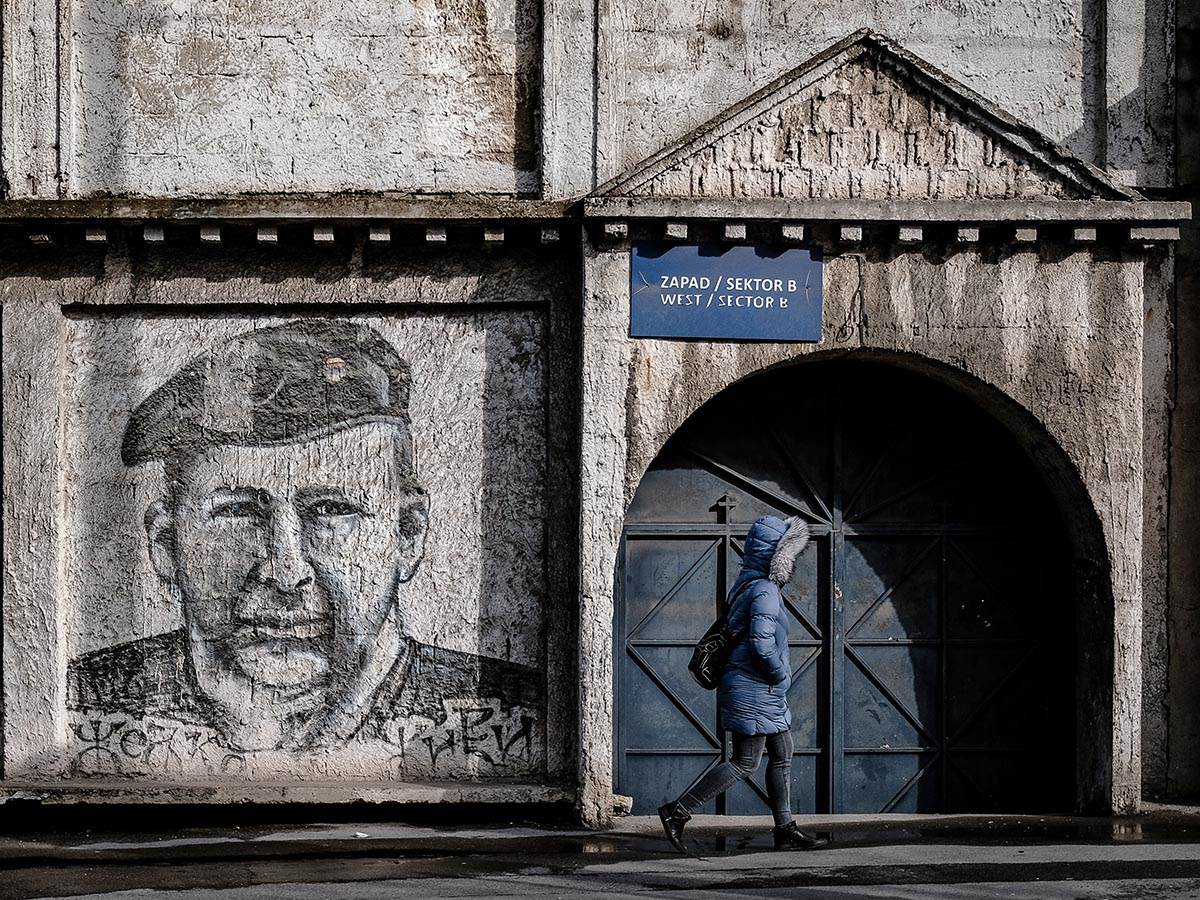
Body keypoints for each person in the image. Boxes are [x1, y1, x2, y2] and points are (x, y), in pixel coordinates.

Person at [67, 319, 540, 754]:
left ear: (409, 535)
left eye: (331, 510)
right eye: (238, 512)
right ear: (167, 547)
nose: (286, 571)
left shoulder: (517, 713)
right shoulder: (82, 704)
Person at [658, 515, 826, 852]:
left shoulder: (748, 585)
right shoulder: (764, 590)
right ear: (777, 555)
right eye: (789, 553)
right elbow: (762, 643)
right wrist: (780, 674)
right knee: (745, 761)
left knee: (782, 751)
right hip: (756, 688)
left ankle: (785, 827)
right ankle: (678, 812)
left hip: (757, 689)